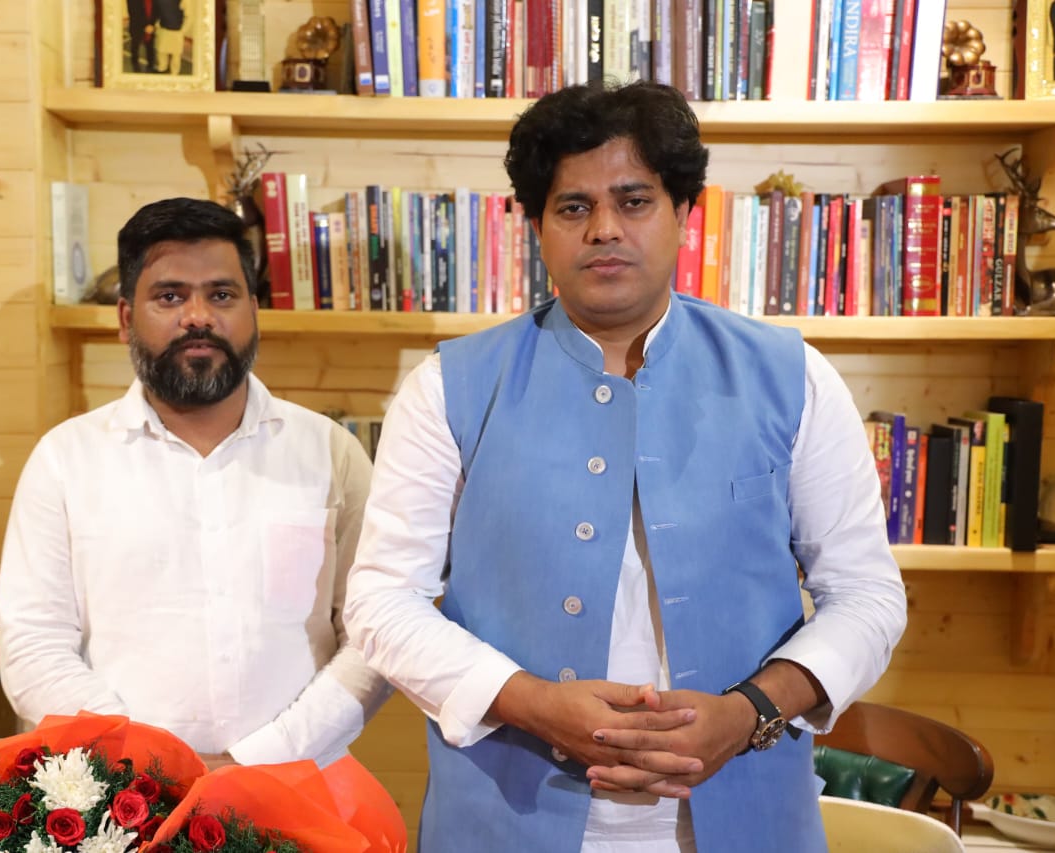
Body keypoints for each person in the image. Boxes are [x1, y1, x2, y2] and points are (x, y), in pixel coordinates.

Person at [344, 82, 907, 852]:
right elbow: (382, 601)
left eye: (634, 200)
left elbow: (868, 593)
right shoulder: (448, 388)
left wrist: (749, 712)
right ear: (536, 227)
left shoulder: (793, 377)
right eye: (573, 207)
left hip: (747, 816)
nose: (604, 228)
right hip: (506, 818)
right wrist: (530, 701)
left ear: (684, 213)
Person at [0, 197, 390, 770]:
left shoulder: (332, 453)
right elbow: (34, 647)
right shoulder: (65, 460)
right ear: (126, 318)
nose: (198, 316)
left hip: (300, 781)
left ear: (254, 310)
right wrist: (149, 768)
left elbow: (375, 635)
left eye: (222, 294)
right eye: (170, 296)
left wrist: (263, 759)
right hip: (120, 795)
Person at [126, 0, 156, 73]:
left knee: (150, 47)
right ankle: (135, 65)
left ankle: (150, 66)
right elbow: (133, 12)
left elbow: (156, 10)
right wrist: (145, 25)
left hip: (150, 26)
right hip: (137, 26)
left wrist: (152, 24)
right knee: (135, 46)